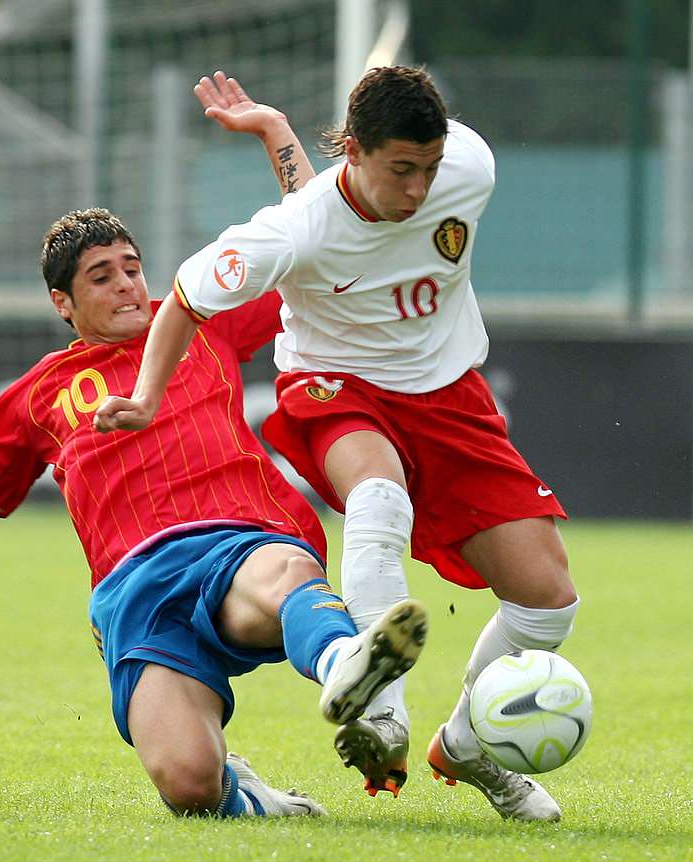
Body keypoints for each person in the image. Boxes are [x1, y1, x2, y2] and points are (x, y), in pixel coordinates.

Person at [0, 206, 428, 819]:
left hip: (237, 540)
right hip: (135, 592)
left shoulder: (200, 318)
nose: (126, 284)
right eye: (101, 276)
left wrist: (282, 148)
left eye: (131, 267)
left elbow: (311, 251)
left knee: (283, 571)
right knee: (189, 784)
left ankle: (347, 664)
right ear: (62, 303)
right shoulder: (38, 394)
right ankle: (252, 795)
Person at [94, 67, 580, 822]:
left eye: (429, 168)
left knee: (548, 602)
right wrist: (149, 396)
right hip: (335, 386)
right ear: (353, 150)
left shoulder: (470, 166)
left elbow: (335, 205)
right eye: (401, 169)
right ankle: (382, 712)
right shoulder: (291, 230)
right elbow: (186, 298)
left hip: (449, 397)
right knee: (378, 498)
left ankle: (468, 743)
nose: (418, 189)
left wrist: (275, 131)